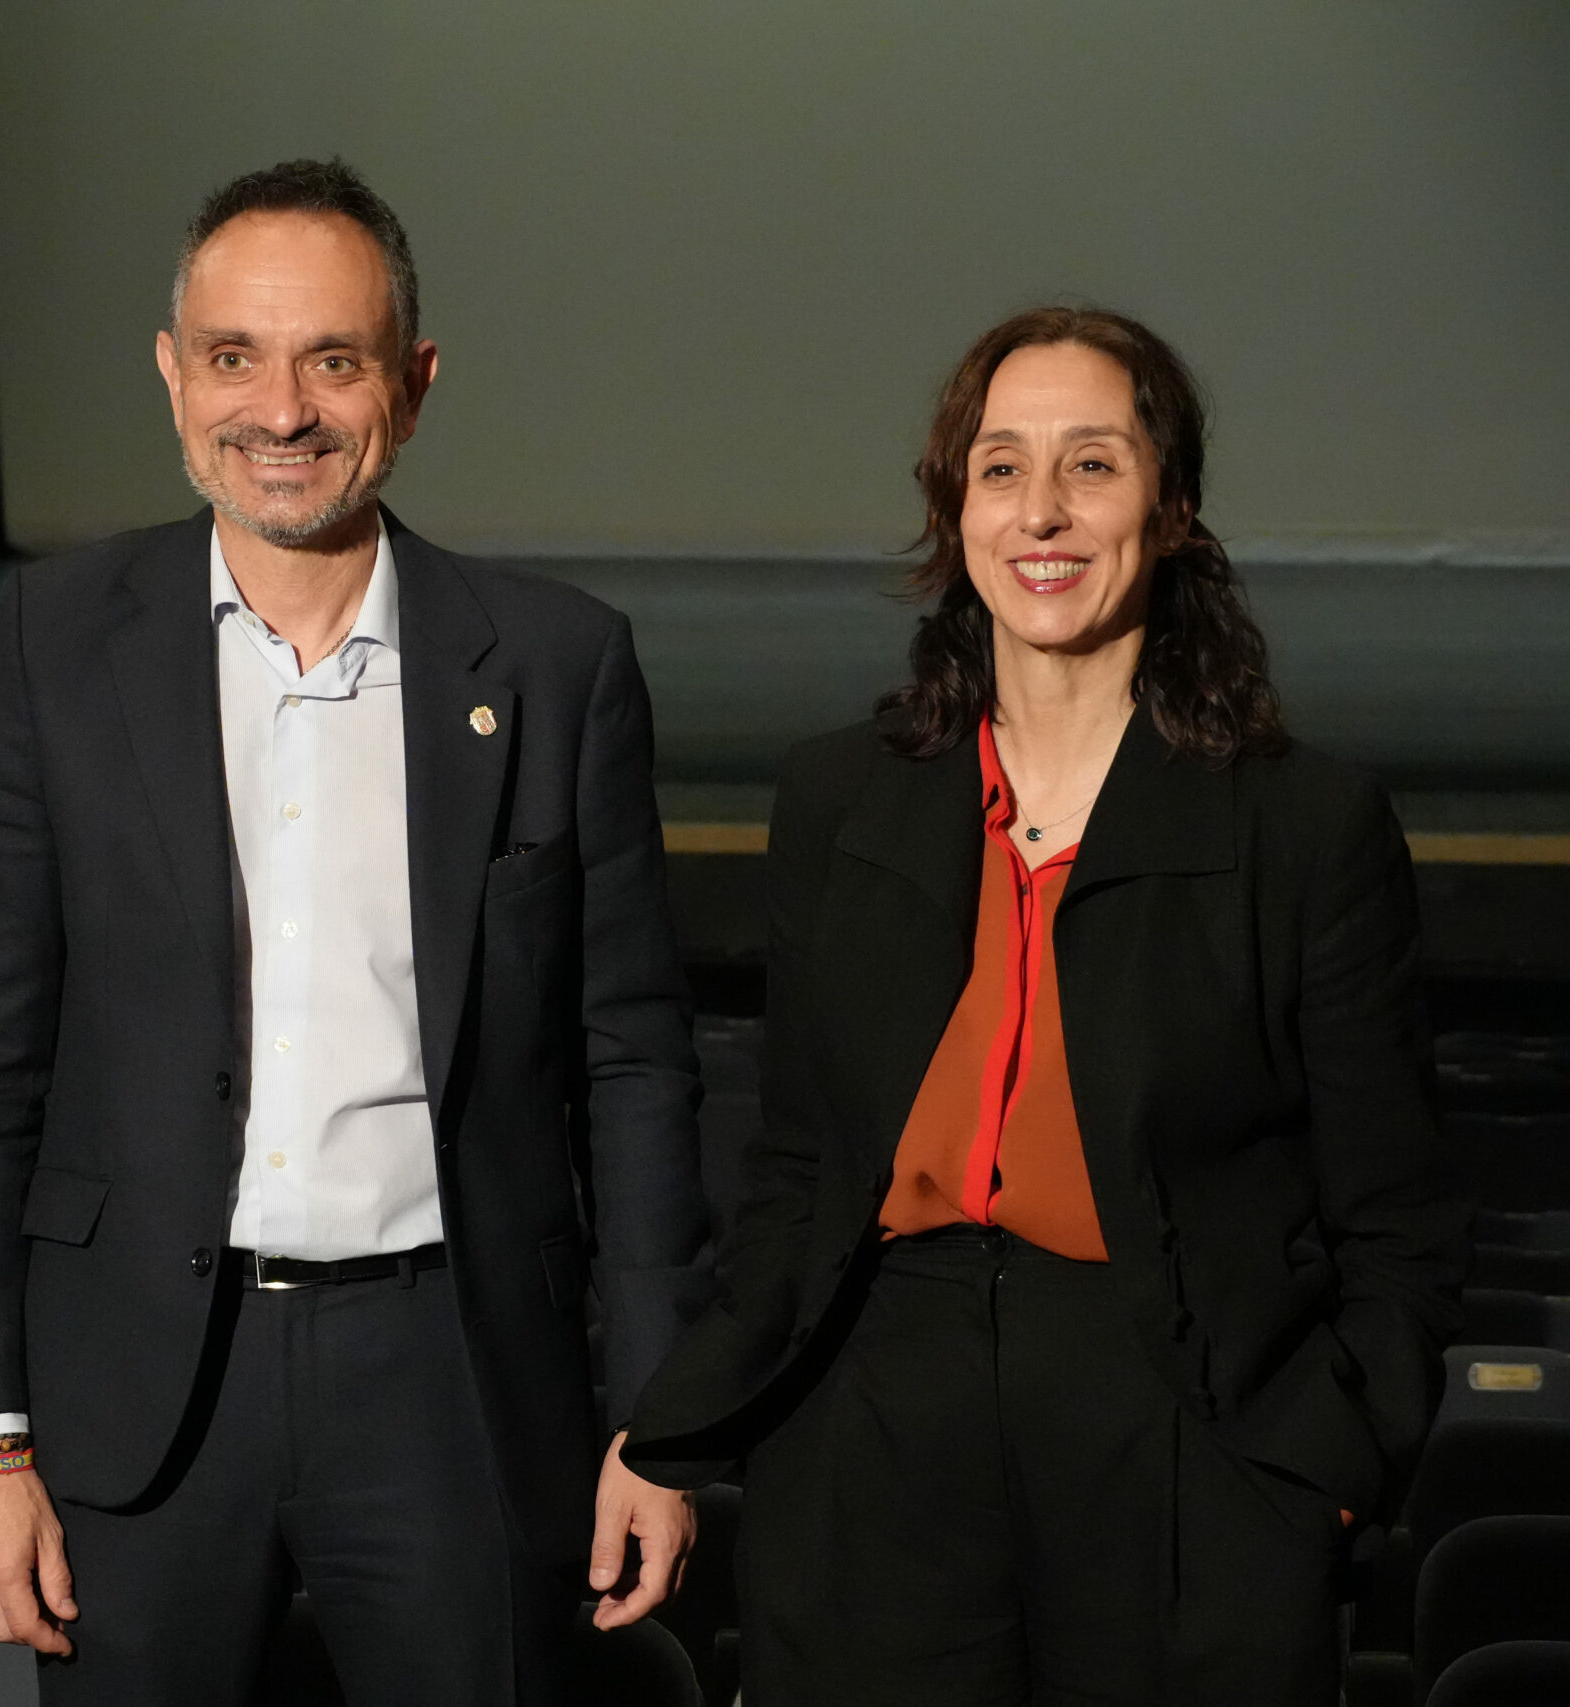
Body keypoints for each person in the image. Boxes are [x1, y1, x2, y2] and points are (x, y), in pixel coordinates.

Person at [0, 158, 710, 1704]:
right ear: (171, 376)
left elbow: (634, 1067)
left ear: (410, 386)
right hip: (138, 1400)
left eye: (331, 361)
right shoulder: (53, 641)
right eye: (233, 358)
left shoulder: (556, 662)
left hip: (458, 1394)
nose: (278, 410)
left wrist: (658, 1418)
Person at [623, 306, 1471, 1704]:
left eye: (1095, 464)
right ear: (955, 508)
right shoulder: (840, 800)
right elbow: (796, 1175)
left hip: (1186, 1444)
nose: (1044, 512)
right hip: (875, 1431)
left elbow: (1399, 1224)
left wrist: (1320, 1474)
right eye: (1002, 467)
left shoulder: (1306, 825)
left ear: (1176, 507)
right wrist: (671, 1426)